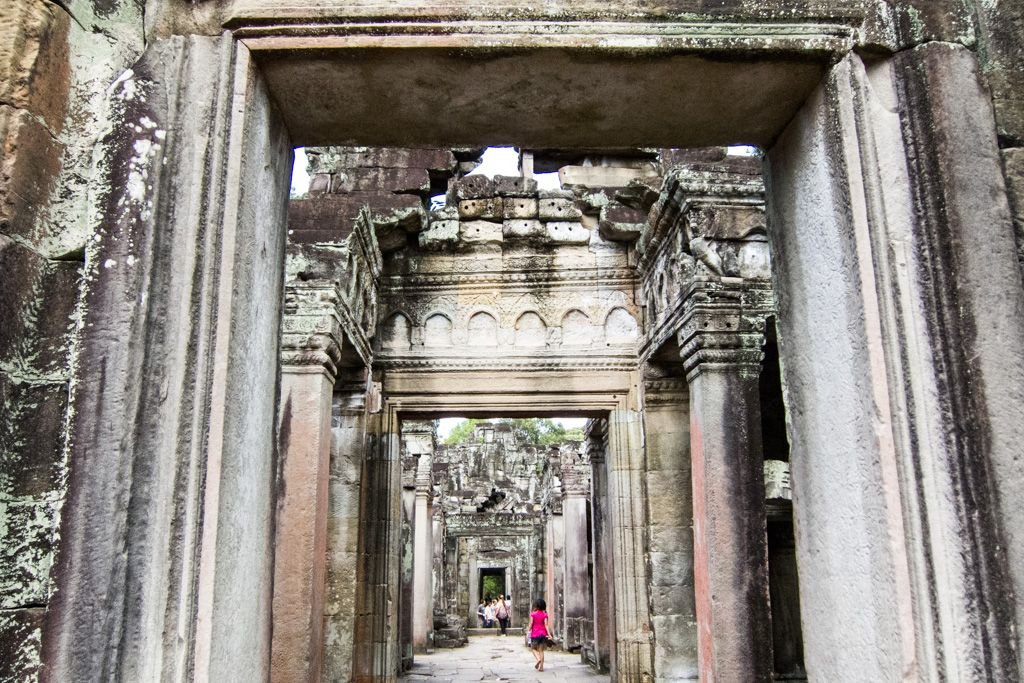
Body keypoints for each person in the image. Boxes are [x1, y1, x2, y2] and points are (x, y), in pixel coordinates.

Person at [529, 598, 552, 671]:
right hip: (543, 634)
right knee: (541, 650)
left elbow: (531, 623)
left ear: (536, 606)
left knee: (533, 649)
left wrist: (529, 628)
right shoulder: (545, 614)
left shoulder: (533, 614)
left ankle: (538, 659)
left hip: (535, 634)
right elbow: (546, 625)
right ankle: (541, 667)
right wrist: (549, 635)